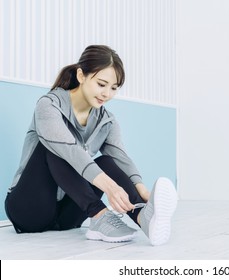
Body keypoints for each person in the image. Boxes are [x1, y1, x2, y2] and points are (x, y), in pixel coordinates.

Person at [4, 45, 177, 246]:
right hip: (29, 211)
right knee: (53, 148)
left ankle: (144, 218)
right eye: (102, 84)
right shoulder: (49, 105)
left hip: (68, 216)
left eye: (114, 88)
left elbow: (121, 158)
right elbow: (69, 149)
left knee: (107, 160)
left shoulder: (107, 121)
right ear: (81, 75)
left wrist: (142, 191)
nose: (107, 94)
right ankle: (100, 214)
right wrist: (110, 187)